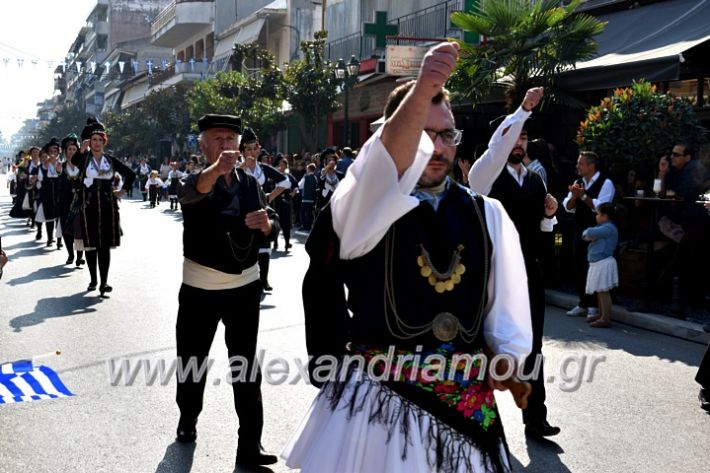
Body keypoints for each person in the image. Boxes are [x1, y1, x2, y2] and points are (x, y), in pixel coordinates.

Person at [283, 42, 532, 473]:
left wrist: (509, 360)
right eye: (424, 134)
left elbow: (505, 307)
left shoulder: (486, 213)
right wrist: (422, 92)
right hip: (378, 395)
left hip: (466, 403)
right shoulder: (365, 206)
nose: (438, 148)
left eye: (446, 135)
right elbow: (380, 168)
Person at [174, 114, 278, 467]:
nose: (226, 146)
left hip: (244, 287)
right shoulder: (195, 180)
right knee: (192, 360)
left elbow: (270, 221)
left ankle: (250, 442)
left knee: (246, 365)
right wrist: (217, 169)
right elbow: (198, 191)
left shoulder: (251, 182)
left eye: (231, 139)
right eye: (217, 139)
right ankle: (188, 417)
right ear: (203, 146)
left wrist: (267, 225)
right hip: (200, 287)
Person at [467, 88, 561, 439]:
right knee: (482, 346)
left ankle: (535, 418)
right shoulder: (486, 176)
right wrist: (521, 110)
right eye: (514, 135)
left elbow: (542, 234)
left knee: (534, 347)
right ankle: (478, 419)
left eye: (524, 136)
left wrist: (550, 219)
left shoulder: (536, 179)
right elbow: (496, 150)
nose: (519, 142)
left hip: (528, 275)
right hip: (491, 277)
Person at [73, 118, 136, 297]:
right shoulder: (84, 159)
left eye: (100, 140)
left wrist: (122, 190)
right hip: (89, 207)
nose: (97, 143)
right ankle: (93, 279)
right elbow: (74, 160)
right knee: (91, 246)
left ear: (104, 142)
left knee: (105, 246)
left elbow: (130, 174)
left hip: (108, 208)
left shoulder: (110, 160)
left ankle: (104, 282)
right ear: (89, 142)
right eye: (94, 140)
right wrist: (81, 148)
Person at [562, 151, 615, 320]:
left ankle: (594, 306)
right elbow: (568, 206)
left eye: (581, 164)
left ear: (591, 166)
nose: (578, 166)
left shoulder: (606, 183)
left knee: (594, 266)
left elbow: (601, 207)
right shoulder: (578, 182)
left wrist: (583, 196)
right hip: (579, 228)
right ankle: (583, 302)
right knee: (579, 264)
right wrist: (574, 197)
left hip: (597, 231)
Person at [581, 202, 622, 328]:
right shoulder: (606, 228)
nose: (596, 216)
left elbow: (589, 232)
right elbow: (589, 235)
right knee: (600, 290)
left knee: (603, 291)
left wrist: (587, 234)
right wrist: (588, 236)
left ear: (605, 216)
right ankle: (602, 314)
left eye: (598, 214)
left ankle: (605, 318)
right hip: (599, 263)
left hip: (603, 263)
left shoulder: (607, 228)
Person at [57, 134, 85, 267]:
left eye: (74, 149)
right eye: (69, 149)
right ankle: (71, 254)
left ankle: (80, 257)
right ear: (65, 151)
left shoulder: (83, 166)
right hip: (65, 202)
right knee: (67, 229)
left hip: (80, 203)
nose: (72, 152)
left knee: (80, 230)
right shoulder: (60, 167)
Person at [35, 138, 63, 248]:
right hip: (47, 195)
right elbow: (42, 177)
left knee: (60, 218)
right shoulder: (43, 165)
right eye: (51, 151)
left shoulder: (61, 164)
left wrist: (57, 166)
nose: (53, 154)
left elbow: (61, 175)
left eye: (55, 151)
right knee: (49, 218)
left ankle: (60, 240)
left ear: (58, 152)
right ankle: (50, 238)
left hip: (59, 194)